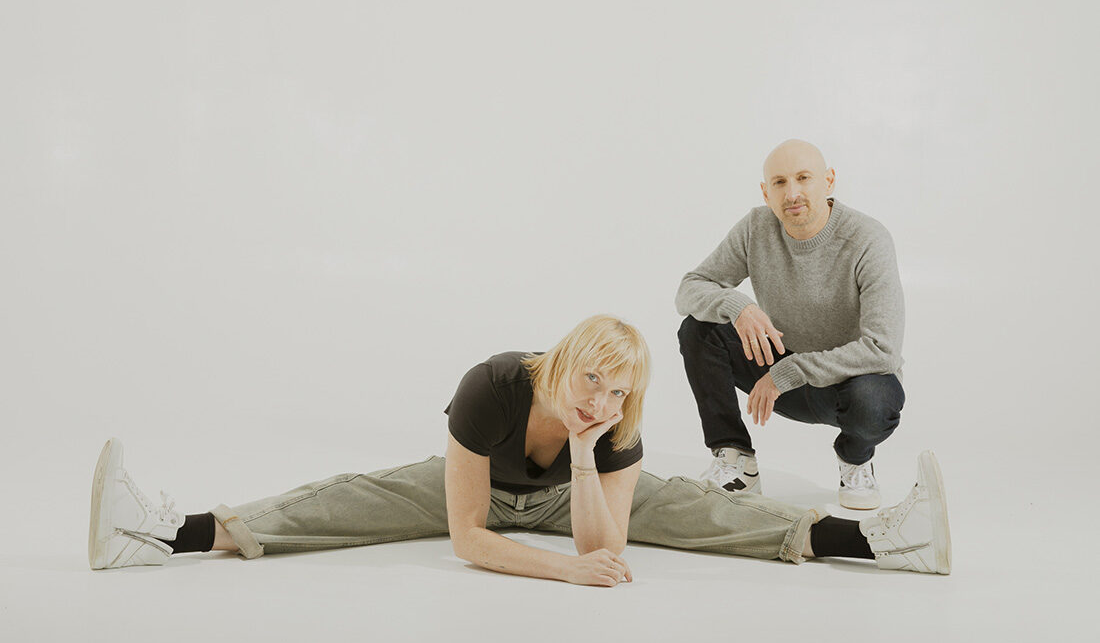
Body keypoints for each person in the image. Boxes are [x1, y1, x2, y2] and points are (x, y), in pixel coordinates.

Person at [89, 314, 950, 579]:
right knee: (344, 497)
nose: (599, 400)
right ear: (563, 361)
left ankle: (882, 542)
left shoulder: (613, 422)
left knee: (703, 511)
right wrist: (566, 574)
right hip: (479, 490)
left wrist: (584, 451)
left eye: (617, 392)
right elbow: (470, 537)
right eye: (590, 380)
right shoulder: (493, 385)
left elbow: (606, 543)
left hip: (571, 492)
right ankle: (160, 533)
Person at [677, 139, 906, 509]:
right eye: (780, 183)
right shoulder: (756, 227)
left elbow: (883, 350)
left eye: (804, 178)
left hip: (844, 383)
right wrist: (738, 306)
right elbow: (690, 288)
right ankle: (736, 458)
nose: (792, 193)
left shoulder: (867, 238)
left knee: (876, 399)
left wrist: (789, 371)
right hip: (775, 364)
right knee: (698, 329)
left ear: (828, 181)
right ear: (766, 193)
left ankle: (855, 460)